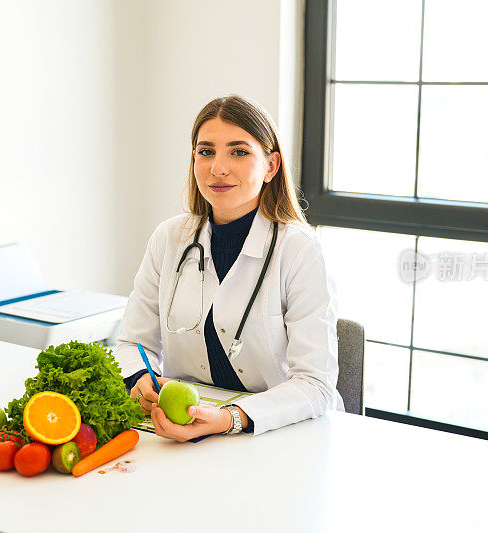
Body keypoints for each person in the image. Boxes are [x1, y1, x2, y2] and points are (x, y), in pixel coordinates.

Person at [114, 94, 343, 442]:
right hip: (183, 430)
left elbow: (315, 384)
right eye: (206, 151)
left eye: (238, 151)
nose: (218, 168)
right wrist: (139, 380)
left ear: (270, 166)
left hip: (278, 433)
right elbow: (132, 343)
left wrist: (230, 419)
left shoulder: (299, 250)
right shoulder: (169, 238)